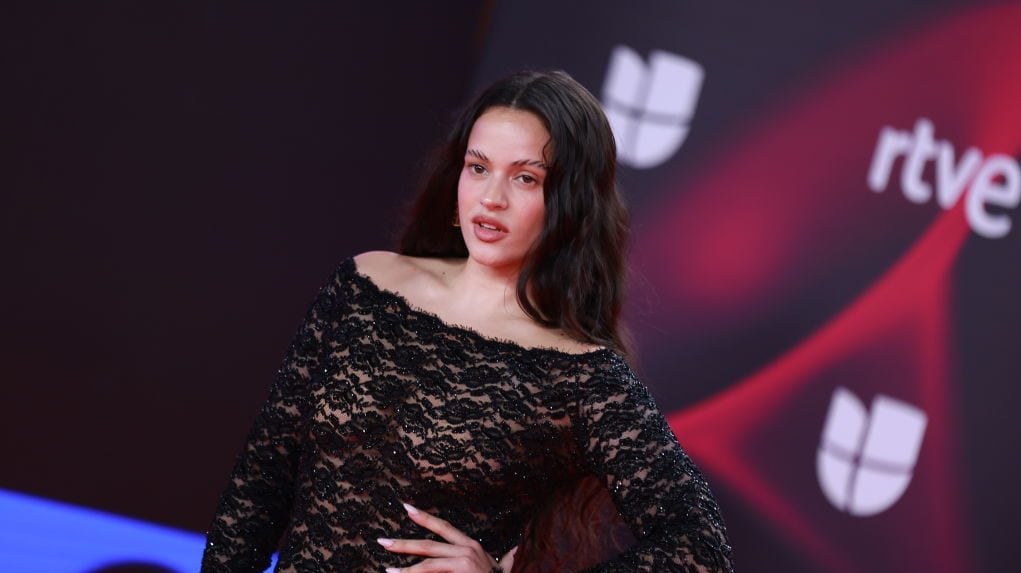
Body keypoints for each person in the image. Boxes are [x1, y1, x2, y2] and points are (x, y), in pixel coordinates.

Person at [201, 70, 734, 572]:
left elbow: (700, 547)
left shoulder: (582, 376)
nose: (492, 198)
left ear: (569, 203)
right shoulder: (365, 283)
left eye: (525, 178)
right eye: (478, 168)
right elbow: (262, 477)